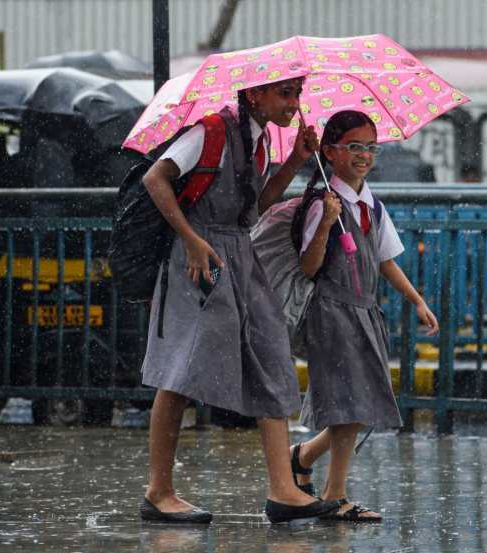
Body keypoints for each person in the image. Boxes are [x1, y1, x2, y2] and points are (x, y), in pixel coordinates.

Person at [138, 77, 341, 524]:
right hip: (200, 257)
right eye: (285, 93)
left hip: (240, 255)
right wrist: (190, 240)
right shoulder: (210, 131)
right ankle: (159, 490)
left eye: (297, 94)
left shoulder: (260, 139)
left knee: (272, 356)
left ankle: (284, 491)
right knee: (180, 372)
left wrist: (294, 162)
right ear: (255, 94)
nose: (295, 103)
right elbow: (157, 179)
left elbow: (256, 206)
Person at [291, 110, 439, 522]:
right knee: (349, 405)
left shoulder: (371, 204)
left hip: (363, 311)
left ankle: (302, 457)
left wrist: (416, 300)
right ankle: (334, 496)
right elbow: (308, 266)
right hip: (332, 312)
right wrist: (327, 225)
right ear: (330, 152)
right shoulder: (325, 203)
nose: (363, 155)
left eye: (370, 147)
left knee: (357, 404)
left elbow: (386, 259)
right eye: (353, 146)